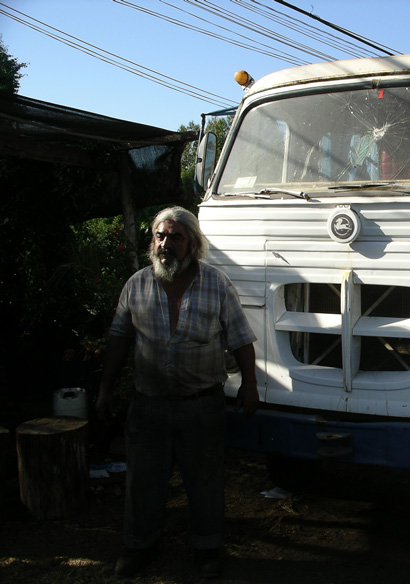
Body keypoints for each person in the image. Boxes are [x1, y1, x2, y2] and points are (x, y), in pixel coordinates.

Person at [96, 206, 259, 579]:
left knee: (204, 480)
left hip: (201, 404)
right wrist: (105, 389)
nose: (165, 244)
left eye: (175, 237)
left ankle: (207, 548)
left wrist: (250, 385)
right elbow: (118, 339)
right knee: (143, 480)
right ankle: (139, 545)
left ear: (193, 245)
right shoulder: (136, 285)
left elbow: (240, 339)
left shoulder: (216, 284)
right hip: (148, 404)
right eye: (160, 236)